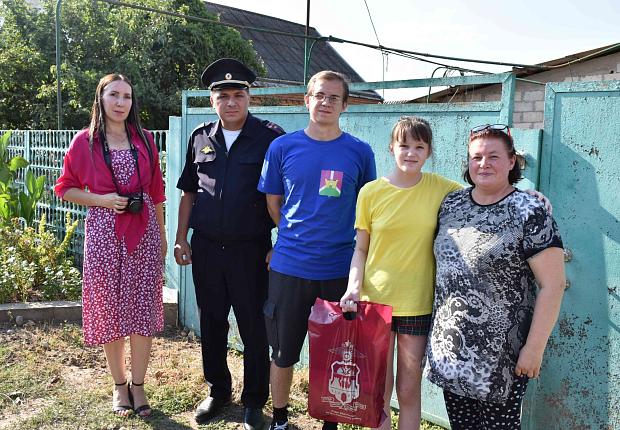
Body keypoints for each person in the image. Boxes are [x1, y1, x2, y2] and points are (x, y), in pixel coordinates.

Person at [425, 124, 566, 430]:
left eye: (493, 156)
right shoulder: (451, 204)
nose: (483, 163)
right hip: (451, 348)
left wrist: (534, 347)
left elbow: (553, 284)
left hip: (502, 357)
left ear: (512, 161)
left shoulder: (529, 210)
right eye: (476, 157)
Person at [258, 70, 376, 430]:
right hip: (290, 268)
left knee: (335, 354)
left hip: (339, 272)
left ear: (345, 105)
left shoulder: (359, 152)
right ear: (306, 100)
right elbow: (273, 202)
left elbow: (367, 209)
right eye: (319, 95)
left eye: (333, 98)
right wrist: (294, 238)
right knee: (283, 352)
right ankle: (280, 418)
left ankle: (330, 422)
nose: (325, 102)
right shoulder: (282, 147)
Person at [174, 58, 284, 430]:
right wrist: (180, 239)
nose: (231, 102)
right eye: (224, 95)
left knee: (254, 326)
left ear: (249, 98)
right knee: (213, 322)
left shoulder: (271, 137)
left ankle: (254, 400)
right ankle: (217, 390)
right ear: (212, 101)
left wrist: (280, 242)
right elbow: (189, 192)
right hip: (206, 247)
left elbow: (286, 196)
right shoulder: (200, 137)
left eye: (239, 94)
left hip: (251, 250)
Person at [55, 74, 166, 418]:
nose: (121, 102)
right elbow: (65, 188)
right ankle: (119, 386)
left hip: (143, 231)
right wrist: (102, 200)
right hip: (104, 233)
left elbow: (157, 191)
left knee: (142, 309)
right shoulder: (85, 142)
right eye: (114, 95)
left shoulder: (146, 140)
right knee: (110, 309)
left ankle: (139, 385)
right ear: (101, 99)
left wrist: (161, 234)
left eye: (127, 97)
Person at [339, 117, 461, 430]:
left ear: (429, 151)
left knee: (408, 390)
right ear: (392, 147)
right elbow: (361, 249)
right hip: (375, 302)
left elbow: (487, 194)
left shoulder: (441, 188)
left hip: (417, 304)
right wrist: (353, 288)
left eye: (419, 146)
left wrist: (525, 196)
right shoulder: (370, 192)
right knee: (378, 389)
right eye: (404, 145)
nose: (411, 152)